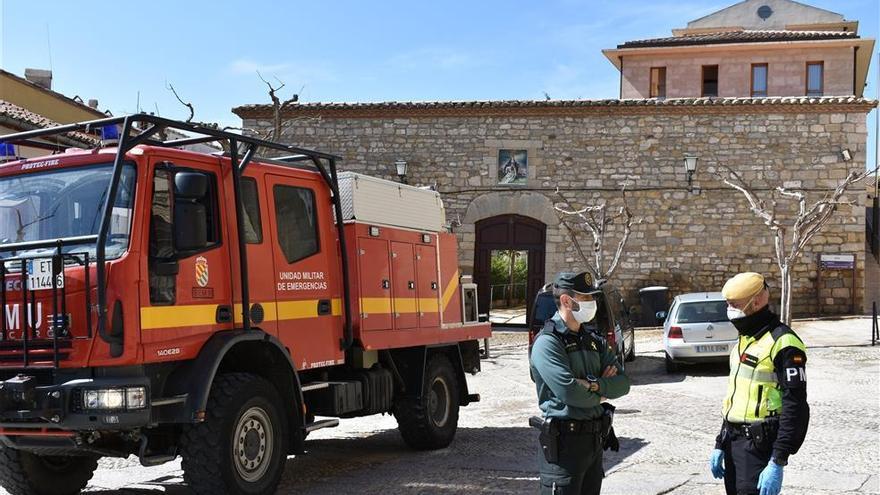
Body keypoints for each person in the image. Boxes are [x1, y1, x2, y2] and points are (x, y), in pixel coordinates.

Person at [529, 271, 631, 494]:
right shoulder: (548, 342)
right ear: (566, 301)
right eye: (585, 298)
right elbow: (570, 392)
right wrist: (603, 389)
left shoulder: (593, 341)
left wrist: (593, 385)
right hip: (564, 445)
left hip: (593, 443)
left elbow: (623, 384)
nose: (592, 303)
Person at [709, 272, 810, 495]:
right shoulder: (745, 339)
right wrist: (720, 442)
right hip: (732, 441)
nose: (729, 309)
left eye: (734, 304)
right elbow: (737, 396)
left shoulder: (784, 342)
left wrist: (778, 459)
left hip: (759, 444)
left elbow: (796, 405)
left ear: (755, 302)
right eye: (727, 304)